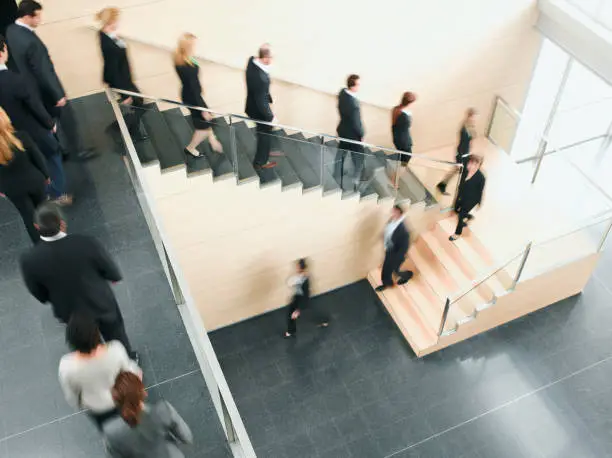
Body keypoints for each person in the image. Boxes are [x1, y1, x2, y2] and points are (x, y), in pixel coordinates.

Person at [20, 203, 138, 359]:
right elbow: (110, 270)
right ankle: (127, 361)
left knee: (88, 346)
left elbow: (39, 293)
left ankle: (99, 367)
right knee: (116, 335)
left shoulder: (29, 260)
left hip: (70, 313)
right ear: (62, 223)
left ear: (36, 226)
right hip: (100, 302)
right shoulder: (86, 243)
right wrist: (113, 278)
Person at [6, 0, 93, 161]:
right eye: (37, 17)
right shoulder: (30, 41)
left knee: (48, 123)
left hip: (31, 89)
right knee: (67, 119)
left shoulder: (11, 31)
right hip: (46, 90)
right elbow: (43, 70)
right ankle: (78, 151)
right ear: (27, 17)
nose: (40, 20)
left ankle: (60, 150)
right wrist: (57, 94)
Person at [0, 35, 71, 206]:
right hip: (32, 130)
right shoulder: (16, 79)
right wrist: (49, 124)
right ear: (3, 51)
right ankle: (56, 193)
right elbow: (35, 106)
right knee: (52, 156)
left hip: (6, 136)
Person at [59, 313, 142, 429]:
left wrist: (79, 405)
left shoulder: (66, 366)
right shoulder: (115, 350)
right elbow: (131, 372)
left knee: (107, 429)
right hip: (119, 399)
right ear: (97, 334)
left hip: (95, 406)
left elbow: (72, 395)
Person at [103, 371, 193, 458]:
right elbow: (187, 437)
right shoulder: (163, 410)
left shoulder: (111, 431)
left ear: (115, 401)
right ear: (143, 393)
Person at [97, 7, 147, 142]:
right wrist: (125, 94)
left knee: (139, 103)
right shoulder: (108, 45)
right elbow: (114, 70)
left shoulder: (106, 33)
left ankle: (133, 130)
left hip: (124, 77)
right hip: (120, 80)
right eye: (116, 20)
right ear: (110, 21)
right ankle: (121, 127)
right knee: (140, 105)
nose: (118, 22)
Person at [0, 107, 49, 243]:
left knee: (28, 217)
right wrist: (46, 175)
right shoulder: (21, 136)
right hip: (34, 180)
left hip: (12, 189)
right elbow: (38, 158)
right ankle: (53, 237)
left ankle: (40, 246)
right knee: (44, 210)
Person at [174, 32, 223, 157]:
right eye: (193, 44)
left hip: (189, 94)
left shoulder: (180, 58)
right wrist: (202, 109)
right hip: (193, 98)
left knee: (207, 119)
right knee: (203, 125)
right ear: (188, 46)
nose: (196, 46)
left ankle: (212, 140)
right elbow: (193, 88)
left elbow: (192, 84)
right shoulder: (187, 66)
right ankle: (191, 148)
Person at [245, 44, 278, 170]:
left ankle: (265, 151)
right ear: (265, 58)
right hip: (258, 110)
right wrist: (271, 117)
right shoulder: (261, 79)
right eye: (270, 57)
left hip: (251, 105)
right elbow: (261, 101)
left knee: (263, 132)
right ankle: (261, 162)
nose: (271, 59)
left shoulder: (252, 61)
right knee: (265, 132)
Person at [436, 108, 478, 196]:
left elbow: (471, 140)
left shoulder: (470, 126)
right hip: (462, 153)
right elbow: (464, 141)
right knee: (460, 170)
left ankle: (442, 184)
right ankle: (445, 186)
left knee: (457, 170)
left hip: (465, 152)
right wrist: (462, 155)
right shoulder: (464, 127)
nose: (474, 119)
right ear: (469, 116)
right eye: (473, 117)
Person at [284, 258, 329, 338]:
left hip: (303, 299)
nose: (296, 268)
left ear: (301, 268)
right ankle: (291, 331)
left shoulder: (305, 279)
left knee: (311, 312)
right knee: (291, 314)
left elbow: (305, 296)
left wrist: (298, 310)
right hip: (297, 297)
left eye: (297, 267)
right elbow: (291, 283)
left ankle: (324, 320)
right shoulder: (300, 276)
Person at [335, 74, 365, 191]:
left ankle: (336, 173)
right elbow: (357, 124)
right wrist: (361, 135)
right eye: (358, 84)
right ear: (353, 86)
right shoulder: (354, 105)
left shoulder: (342, 93)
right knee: (358, 156)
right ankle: (356, 179)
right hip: (353, 135)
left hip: (343, 130)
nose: (359, 87)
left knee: (341, 153)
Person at [375, 205, 413, 292]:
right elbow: (388, 231)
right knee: (386, 269)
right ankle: (387, 284)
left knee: (395, 271)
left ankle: (407, 275)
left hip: (397, 253)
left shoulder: (403, 229)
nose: (392, 212)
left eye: (394, 211)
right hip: (390, 250)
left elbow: (404, 246)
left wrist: (396, 257)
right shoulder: (392, 220)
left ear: (399, 213)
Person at [449, 155, 485, 241]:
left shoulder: (481, 178)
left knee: (461, 215)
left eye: (475, 165)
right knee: (457, 210)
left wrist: (479, 202)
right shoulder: (465, 170)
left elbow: (480, 191)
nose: (472, 166)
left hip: (472, 199)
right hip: (462, 195)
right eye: (471, 163)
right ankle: (468, 217)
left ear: (478, 166)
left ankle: (457, 233)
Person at [390, 91, 416, 187]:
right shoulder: (405, 115)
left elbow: (394, 126)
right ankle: (394, 180)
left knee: (402, 158)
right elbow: (408, 126)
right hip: (403, 140)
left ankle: (395, 178)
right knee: (405, 159)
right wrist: (409, 116)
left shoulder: (395, 109)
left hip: (397, 138)